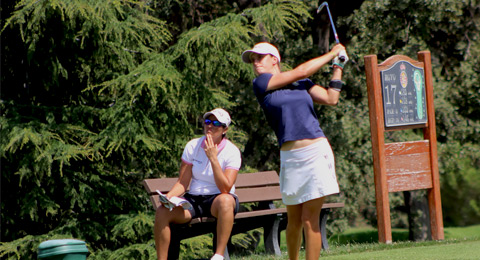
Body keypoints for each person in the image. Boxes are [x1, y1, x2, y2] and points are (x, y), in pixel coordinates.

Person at [241, 42, 348, 260]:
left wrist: (338, 65)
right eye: (252, 59)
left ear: (274, 59)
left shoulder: (302, 83)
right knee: (293, 221)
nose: (255, 62)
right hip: (290, 157)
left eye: (259, 57)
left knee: (310, 219)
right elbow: (301, 70)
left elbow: (331, 98)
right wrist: (331, 53)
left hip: (316, 152)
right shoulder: (261, 83)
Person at [154, 108, 242, 260]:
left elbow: (225, 188)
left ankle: (218, 256)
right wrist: (169, 197)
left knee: (227, 200)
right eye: (207, 121)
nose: (210, 126)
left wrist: (213, 158)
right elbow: (182, 182)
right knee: (162, 211)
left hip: (218, 200)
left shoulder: (232, 151)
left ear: (225, 129)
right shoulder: (192, 146)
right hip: (193, 200)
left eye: (216, 123)